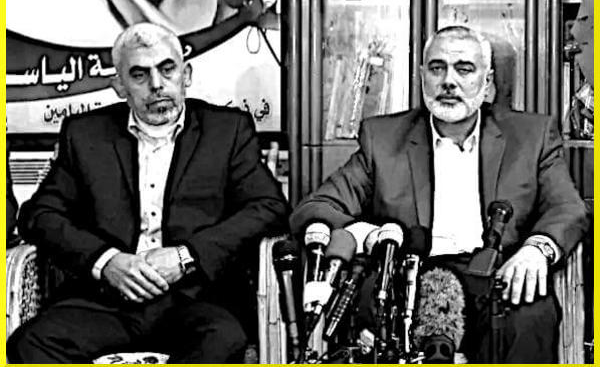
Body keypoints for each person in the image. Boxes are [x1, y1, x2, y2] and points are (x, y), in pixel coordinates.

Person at [290, 26, 589, 363]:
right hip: (410, 279)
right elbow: (317, 206)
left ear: (487, 82)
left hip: (499, 276)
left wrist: (538, 249)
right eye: (437, 68)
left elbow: (567, 207)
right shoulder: (383, 138)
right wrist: (368, 235)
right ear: (422, 77)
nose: (449, 81)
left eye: (464, 69)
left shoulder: (531, 136)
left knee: (532, 316)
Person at [9, 22, 289, 363]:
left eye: (167, 69)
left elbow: (269, 208)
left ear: (186, 75)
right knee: (30, 345)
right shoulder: (85, 134)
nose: (157, 85)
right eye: (139, 75)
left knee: (223, 341)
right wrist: (106, 261)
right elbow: (38, 216)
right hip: (105, 302)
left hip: (196, 299)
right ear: (119, 86)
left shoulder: (227, 130)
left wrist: (186, 257)